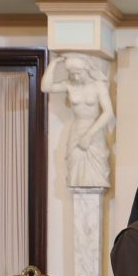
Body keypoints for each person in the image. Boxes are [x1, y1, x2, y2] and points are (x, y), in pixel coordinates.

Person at [41, 53, 115, 188]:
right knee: (75, 173)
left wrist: (88, 135)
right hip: (76, 130)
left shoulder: (98, 85)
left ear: (87, 69)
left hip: (94, 130)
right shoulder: (69, 85)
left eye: (78, 73)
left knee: (96, 174)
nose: (75, 77)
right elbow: (45, 87)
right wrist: (53, 64)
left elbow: (108, 113)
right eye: (72, 74)